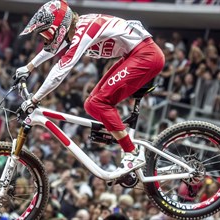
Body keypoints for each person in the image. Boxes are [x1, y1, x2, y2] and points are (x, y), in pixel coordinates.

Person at [14, 0, 165, 175]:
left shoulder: (83, 31)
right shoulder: (77, 28)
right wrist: (28, 67)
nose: (46, 38)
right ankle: (123, 139)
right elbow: (53, 49)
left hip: (146, 55)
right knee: (91, 104)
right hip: (136, 54)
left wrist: (34, 100)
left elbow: (60, 70)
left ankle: (132, 153)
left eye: (47, 33)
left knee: (100, 102)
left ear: (60, 27)